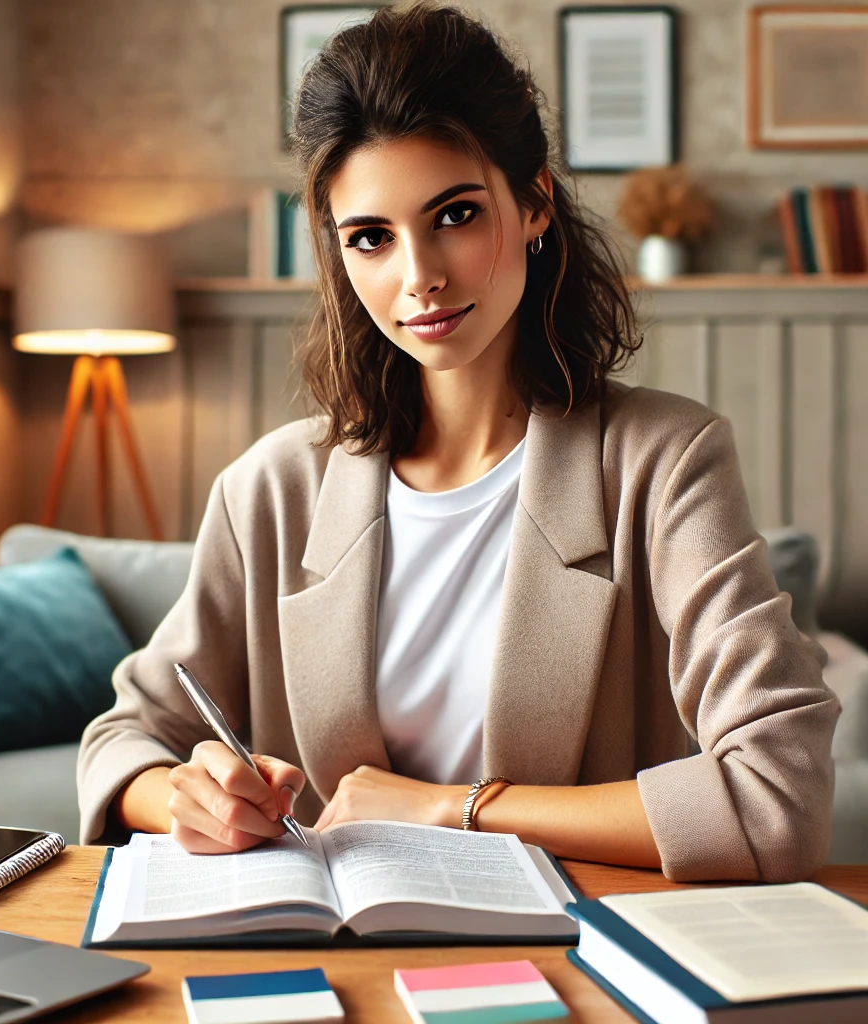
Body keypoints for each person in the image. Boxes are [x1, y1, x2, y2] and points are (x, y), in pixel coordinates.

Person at [77, 1, 838, 882]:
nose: (420, 276)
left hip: (576, 963)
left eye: (455, 215)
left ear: (534, 204)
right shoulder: (271, 490)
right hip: (329, 964)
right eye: (371, 238)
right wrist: (186, 795)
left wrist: (454, 808)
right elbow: (123, 739)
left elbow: (779, 797)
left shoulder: (664, 461)